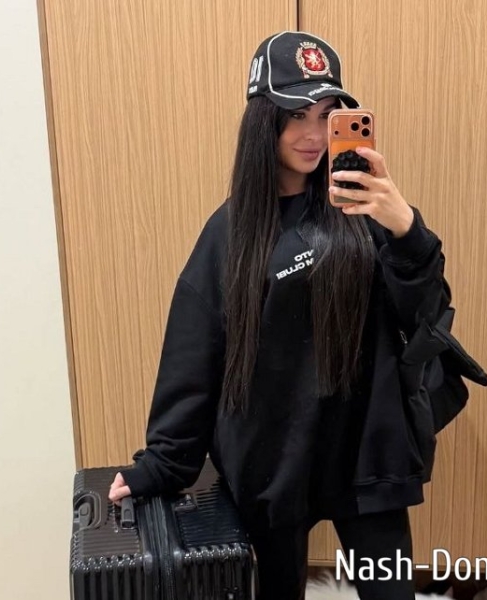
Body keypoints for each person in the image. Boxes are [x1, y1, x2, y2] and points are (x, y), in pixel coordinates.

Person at [109, 31, 450, 600]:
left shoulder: (365, 208)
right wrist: (163, 464)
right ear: (262, 122)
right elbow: (195, 354)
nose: (314, 135)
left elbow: (426, 319)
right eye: (296, 115)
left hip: (366, 449)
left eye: (327, 114)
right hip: (274, 457)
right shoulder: (230, 233)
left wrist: (407, 231)